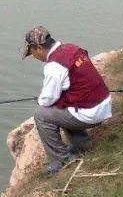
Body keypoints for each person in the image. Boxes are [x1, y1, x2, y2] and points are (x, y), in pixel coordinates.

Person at [21, 26, 113, 176]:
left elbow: (46, 100)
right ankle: (82, 145)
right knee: (62, 106)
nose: (34, 57)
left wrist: (40, 101)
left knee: (42, 115)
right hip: (102, 103)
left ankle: (61, 160)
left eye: (32, 53)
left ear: (38, 47)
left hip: (90, 112)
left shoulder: (54, 66)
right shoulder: (71, 48)